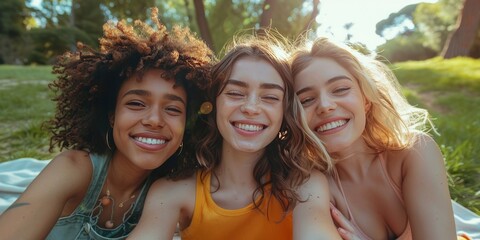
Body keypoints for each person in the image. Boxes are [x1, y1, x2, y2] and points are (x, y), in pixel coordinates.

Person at [0, 7, 213, 239]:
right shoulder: (73, 170)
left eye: (172, 109)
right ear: (111, 115)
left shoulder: (172, 192)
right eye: (136, 104)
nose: (154, 120)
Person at [128, 34, 341, 240]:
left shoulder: (304, 183)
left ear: (285, 112)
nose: (251, 108)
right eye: (235, 93)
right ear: (213, 104)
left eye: (270, 97)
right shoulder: (173, 191)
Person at [291, 36, 457, 240]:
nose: (325, 105)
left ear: (366, 99)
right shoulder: (313, 183)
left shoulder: (414, 152)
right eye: (306, 100)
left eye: (341, 89)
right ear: (294, 118)